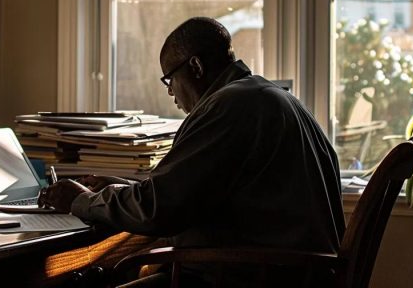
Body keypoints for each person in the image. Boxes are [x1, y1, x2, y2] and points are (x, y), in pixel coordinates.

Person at [40, 16, 344, 286]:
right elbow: (190, 196)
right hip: (295, 274)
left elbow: (159, 211)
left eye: (169, 80)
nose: (171, 93)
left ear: (195, 66)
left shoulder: (229, 107)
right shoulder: (272, 98)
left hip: (244, 277)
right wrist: (127, 190)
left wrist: (82, 201)